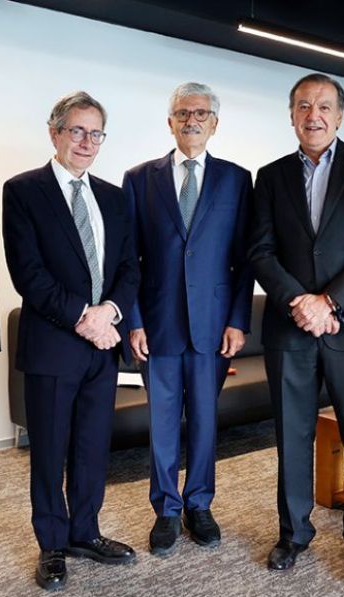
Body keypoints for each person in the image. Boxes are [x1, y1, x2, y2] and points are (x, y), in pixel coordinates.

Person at [249, 73, 344, 580]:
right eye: (303, 106)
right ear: (292, 114)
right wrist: (300, 303)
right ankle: (293, 533)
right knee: (293, 435)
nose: (314, 115)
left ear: (339, 115)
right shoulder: (270, 177)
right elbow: (260, 251)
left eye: (324, 106)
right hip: (290, 326)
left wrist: (330, 302)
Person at [3, 91, 140, 592]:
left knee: (90, 446)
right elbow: (28, 273)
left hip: (102, 346)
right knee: (49, 450)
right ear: (54, 132)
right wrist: (84, 316)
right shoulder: (23, 191)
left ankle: (85, 531)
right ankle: (52, 544)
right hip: (54, 344)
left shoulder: (114, 197)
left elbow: (129, 267)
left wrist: (110, 313)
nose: (86, 141)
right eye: (76, 131)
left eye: (95, 133)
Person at [122, 83, 254, 556]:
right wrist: (133, 320)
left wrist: (238, 320)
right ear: (170, 122)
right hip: (157, 325)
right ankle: (166, 509)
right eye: (182, 113)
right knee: (162, 424)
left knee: (203, 421)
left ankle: (199, 503)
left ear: (214, 123)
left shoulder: (237, 180)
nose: (191, 120)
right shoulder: (139, 179)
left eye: (200, 113)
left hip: (213, 327)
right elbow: (128, 259)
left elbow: (245, 258)